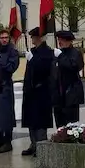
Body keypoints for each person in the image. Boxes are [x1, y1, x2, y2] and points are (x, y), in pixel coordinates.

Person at [21, 27, 54, 157]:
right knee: (31, 120)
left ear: (39, 38)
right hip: (30, 91)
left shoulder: (47, 52)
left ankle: (41, 145)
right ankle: (33, 144)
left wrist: (32, 59)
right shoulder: (33, 51)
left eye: (33, 37)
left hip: (41, 91)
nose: (32, 39)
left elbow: (44, 69)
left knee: (40, 121)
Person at [0, 29, 19, 153]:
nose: (4, 39)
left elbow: (11, 68)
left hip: (6, 86)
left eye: (6, 37)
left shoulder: (13, 52)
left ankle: (7, 142)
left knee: (6, 115)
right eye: (2, 38)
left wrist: (0, 61)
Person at [51, 31, 85, 128]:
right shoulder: (57, 54)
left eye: (62, 40)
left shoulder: (75, 53)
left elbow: (74, 66)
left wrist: (61, 57)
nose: (59, 42)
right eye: (59, 40)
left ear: (69, 41)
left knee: (71, 125)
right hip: (58, 96)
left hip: (70, 95)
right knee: (60, 125)